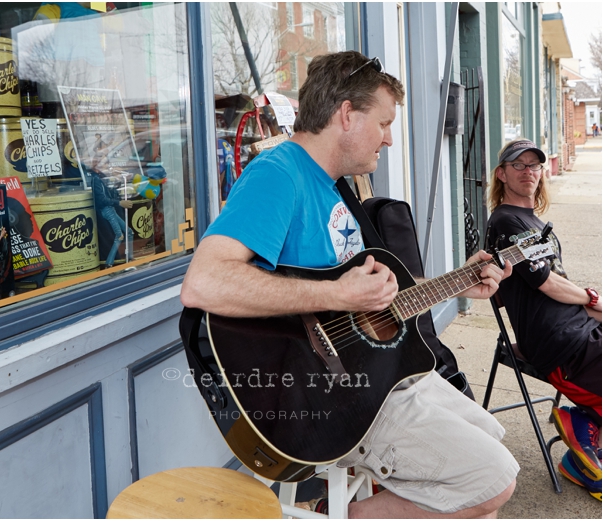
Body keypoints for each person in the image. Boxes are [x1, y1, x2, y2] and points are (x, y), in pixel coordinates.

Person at [181, 51, 517, 518]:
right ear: (346, 114)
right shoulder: (278, 175)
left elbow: (370, 296)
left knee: (492, 441)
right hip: (325, 392)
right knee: (490, 480)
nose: (390, 139)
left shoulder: (336, 185)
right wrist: (336, 295)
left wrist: (458, 284)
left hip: (380, 374)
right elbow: (204, 283)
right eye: (383, 123)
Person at [486, 138, 602, 501]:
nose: (528, 172)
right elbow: (546, 282)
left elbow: (557, 283)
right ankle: (581, 423)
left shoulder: (532, 221)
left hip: (574, 328)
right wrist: (591, 298)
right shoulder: (506, 221)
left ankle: (580, 451)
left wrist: (588, 304)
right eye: (518, 165)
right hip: (556, 343)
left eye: (533, 165)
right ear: (502, 174)